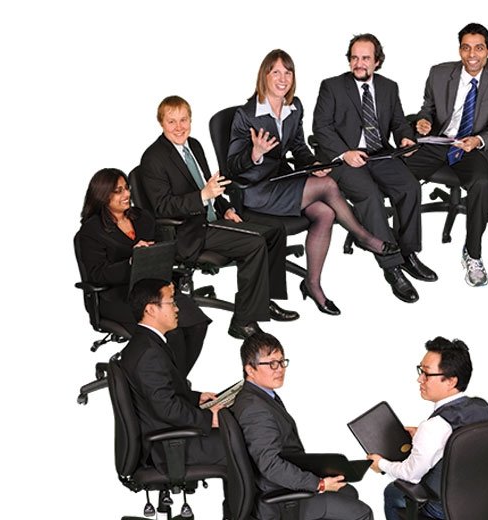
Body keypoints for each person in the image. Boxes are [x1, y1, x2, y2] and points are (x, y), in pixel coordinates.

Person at [227, 49, 401, 317]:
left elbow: (298, 147)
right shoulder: (246, 114)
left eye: (288, 72)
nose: (282, 78)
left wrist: (315, 166)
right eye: (276, 72)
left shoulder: (293, 107)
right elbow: (233, 166)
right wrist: (255, 153)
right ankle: (364, 236)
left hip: (281, 179)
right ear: (265, 75)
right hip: (254, 190)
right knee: (329, 187)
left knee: (326, 212)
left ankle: (313, 284)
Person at [138, 96, 299, 340]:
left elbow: (211, 187)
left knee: (275, 231)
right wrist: (203, 196)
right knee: (255, 243)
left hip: (212, 219)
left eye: (183, 120)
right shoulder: (153, 158)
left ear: (190, 120)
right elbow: (163, 207)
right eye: (172, 122)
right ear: (161, 123)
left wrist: (225, 208)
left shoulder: (194, 145)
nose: (179, 127)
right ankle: (243, 321)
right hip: (188, 231)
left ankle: (264, 301)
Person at [313, 33, 433, 303]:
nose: (359, 63)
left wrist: (405, 138)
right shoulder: (331, 87)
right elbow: (320, 128)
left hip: (379, 154)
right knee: (370, 196)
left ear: (377, 61)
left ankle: (408, 253)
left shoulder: (389, 88)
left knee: (410, 188)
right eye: (354, 58)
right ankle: (391, 267)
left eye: (365, 58)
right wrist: (345, 153)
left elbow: (399, 122)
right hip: (343, 158)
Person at [405, 23, 488, 287]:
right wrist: (423, 122)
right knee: (398, 173)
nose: (472, 55)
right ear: (459, 50)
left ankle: (473, 254)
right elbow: (427, 108)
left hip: (472, 145)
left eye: (478, 48)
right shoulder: (440, 73)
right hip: (439, 140)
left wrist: (478, 140)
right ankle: (405, 249)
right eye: (466, 48)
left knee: (481, 184)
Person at [74, 167, 211, 377]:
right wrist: (131, 261)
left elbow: (164, 252)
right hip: (118, 297)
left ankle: (175, 383)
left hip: (154, 289)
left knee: (197, 323)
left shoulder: (142, 217)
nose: (127, 194)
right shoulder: (91, 231)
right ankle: (167, 390)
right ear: (103, 195)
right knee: (172, 333)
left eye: (127, 188)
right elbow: (97, 274)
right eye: (118, 191)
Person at [230, 333, 374, 520]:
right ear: (250, 369)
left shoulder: (258, 396)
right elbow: (270, 464)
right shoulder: (255, 409)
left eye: (282, 362)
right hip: (279, 496)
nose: (280, 369)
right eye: (272, 363)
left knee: (348, 492)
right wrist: (319, 484)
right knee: (362, 513)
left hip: (280, 485)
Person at [367, 338, 488, 520]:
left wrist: (381, 464)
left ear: (451, 381)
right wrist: (425, 437)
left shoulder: (434, 427)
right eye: (420, 370)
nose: (419, 379)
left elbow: (411, 475)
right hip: (484, 501)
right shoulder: (481, 407)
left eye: (426, 373)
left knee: (393, 492)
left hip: (444, 510)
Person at [117, 278, 227, 470]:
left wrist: (196, 398)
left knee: (244, 434)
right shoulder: (148, 353)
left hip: (169, 435)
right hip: (168, 448)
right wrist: (209, 419)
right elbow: (167, 408)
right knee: (246, 442)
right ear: (151, 309)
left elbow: (162, 395)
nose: (177, 309)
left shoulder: (148, 343)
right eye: (171, 302)